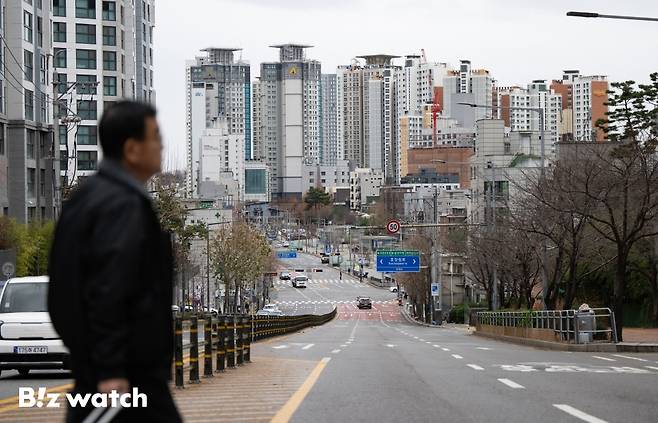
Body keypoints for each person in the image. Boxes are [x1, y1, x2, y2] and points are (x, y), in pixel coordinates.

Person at [48, 101, 181, 423]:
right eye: (155, 137)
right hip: (123, 378)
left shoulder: (88, 195)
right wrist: (110, 369)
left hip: (108, 371)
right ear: (132, 149)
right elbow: (110, 287)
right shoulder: (122, 205)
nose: (161, 145)